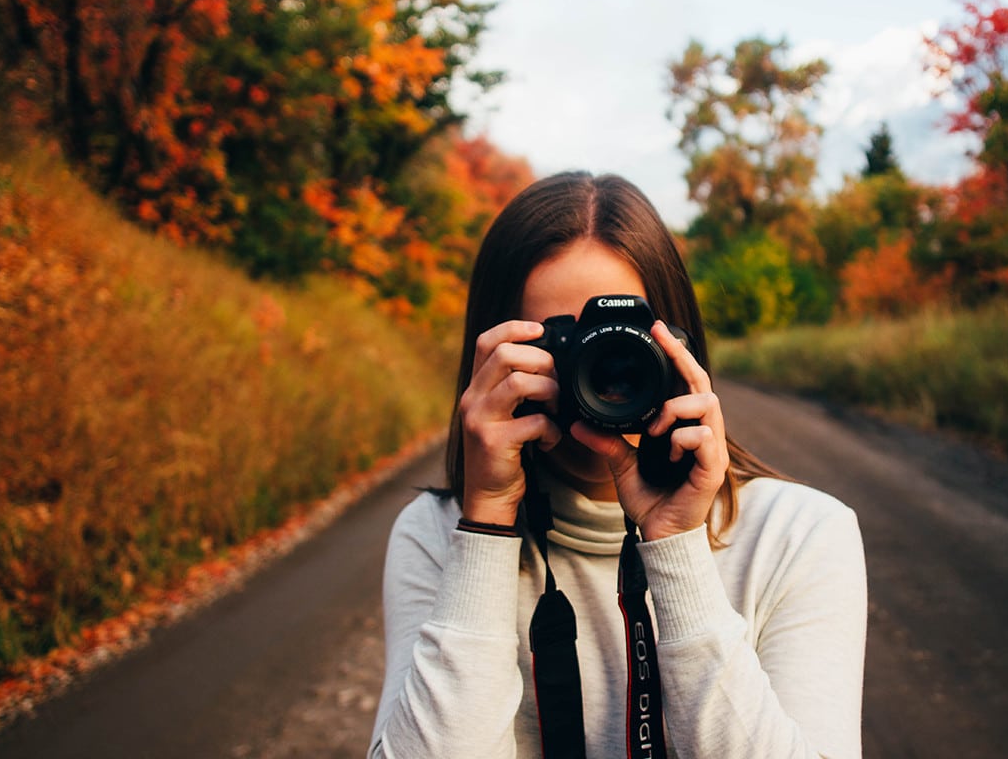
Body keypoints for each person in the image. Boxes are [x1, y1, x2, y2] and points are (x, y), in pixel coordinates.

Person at [369, 172, 867, 759]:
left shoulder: (800, 535)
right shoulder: (438, 533)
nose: (600, 373)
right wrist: (485, 523)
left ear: (679, 345)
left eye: (623, 344)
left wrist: (677, 544)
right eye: (563, 344)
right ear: (493, 355)